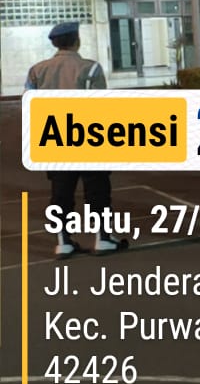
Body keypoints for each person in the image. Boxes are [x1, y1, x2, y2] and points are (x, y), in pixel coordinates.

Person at [25, 22, 126, 258]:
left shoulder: (37, 70)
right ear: (77, 41)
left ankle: (63, 242)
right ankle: (102, 238)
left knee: (60, 193)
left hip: (55, 138)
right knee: (97, 191)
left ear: (54, 43)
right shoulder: (91, 68)